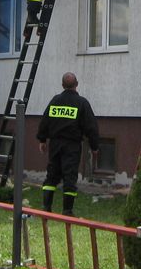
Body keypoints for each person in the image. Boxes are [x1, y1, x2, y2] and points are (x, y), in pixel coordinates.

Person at [37, 72, 100, 215]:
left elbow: (45, 121)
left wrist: (42, 139)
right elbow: (91, 127)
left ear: (62, 85)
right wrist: (94, 146)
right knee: (70, 176)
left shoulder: (55, 100)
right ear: (76, 84)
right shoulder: (82, 103)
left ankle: (46, 207)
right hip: (72, 146)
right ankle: (67, 210)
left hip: (55, 144)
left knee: (51, 175)